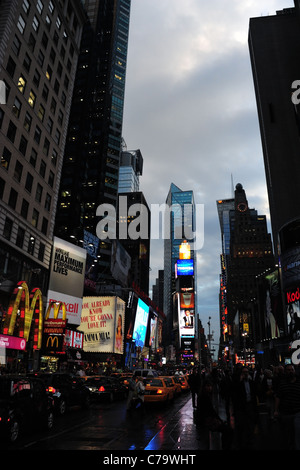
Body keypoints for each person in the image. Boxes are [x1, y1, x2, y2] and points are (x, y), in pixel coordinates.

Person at [195, 379, 233, 449]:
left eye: (210, 386)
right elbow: (210, 411)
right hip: (207, 421)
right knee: (227, 430)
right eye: (208, 386)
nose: (210, 388)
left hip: (206, 420)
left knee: (226, 430)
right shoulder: (204, 396)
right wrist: (219, 420)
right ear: (204, 387)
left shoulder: (204, 395)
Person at [231, 366, 259, 449]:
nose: (246, 374)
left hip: (250, 406)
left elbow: (255, 394)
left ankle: (249, 442)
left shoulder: (251, 383)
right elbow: (234, 394)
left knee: (250, 426)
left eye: (247, 372)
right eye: (244, 372)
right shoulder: (238, 383)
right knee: (242, 427)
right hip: (241, 408)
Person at [274, 364, 300, 449]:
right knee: (288, 433)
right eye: (288, 370)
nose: (290, 371)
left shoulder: (299, 382)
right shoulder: (282, 384)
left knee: (297, 433)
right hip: (286, 412)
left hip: (297, 411)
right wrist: (276, 410)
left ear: (294, 371)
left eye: (291, 370)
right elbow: (278, 397)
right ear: (285, 372)